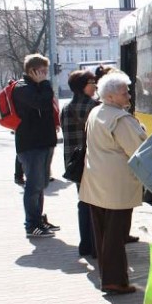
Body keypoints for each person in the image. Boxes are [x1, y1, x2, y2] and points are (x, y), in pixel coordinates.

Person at [79, 71, 147, 294]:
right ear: (110, 97)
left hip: (95, 183)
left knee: (103, 235)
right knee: (115, 236)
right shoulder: (120, 118)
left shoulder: (96, 112)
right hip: (117, 186)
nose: (128, 96)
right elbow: (137, 150)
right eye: (124, 92)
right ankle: (115, 281)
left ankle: (108, 278)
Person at [12, 54, 60, 238]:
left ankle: (39, 219)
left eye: (46, 71)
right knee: (33, 186)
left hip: (44, 142)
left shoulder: (37, 87)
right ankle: (31, 225)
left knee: (41, 184)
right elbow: (42, 102)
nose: (45, 75)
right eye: (42, 71)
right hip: (31, 145)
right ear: (32, 71)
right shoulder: (22, 88)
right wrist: (45, 84)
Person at [60, 70, 99, 257]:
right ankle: (96, 246)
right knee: (97, 204)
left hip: (75, 163)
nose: (95, 85)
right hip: (93, 161)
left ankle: (85, 244)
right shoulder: (94, 107)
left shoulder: (66, 108)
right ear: (82, 86)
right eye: (92, 82)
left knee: (83, 202)